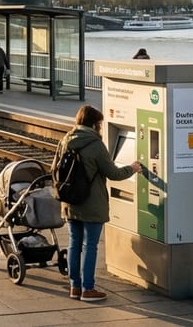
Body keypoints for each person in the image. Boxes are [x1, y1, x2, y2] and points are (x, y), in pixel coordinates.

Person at [53, 104, 142, 302]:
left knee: (75, 243)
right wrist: (133, 168)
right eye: (99, 124)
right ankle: (88, 289)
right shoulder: (95, 144)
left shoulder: (65, 140)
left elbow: (54, 170)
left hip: (70, 202)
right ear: (94, 124)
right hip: (91, 203)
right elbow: (114, 173)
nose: (100, 127)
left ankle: (75, 287)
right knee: (90, 245)